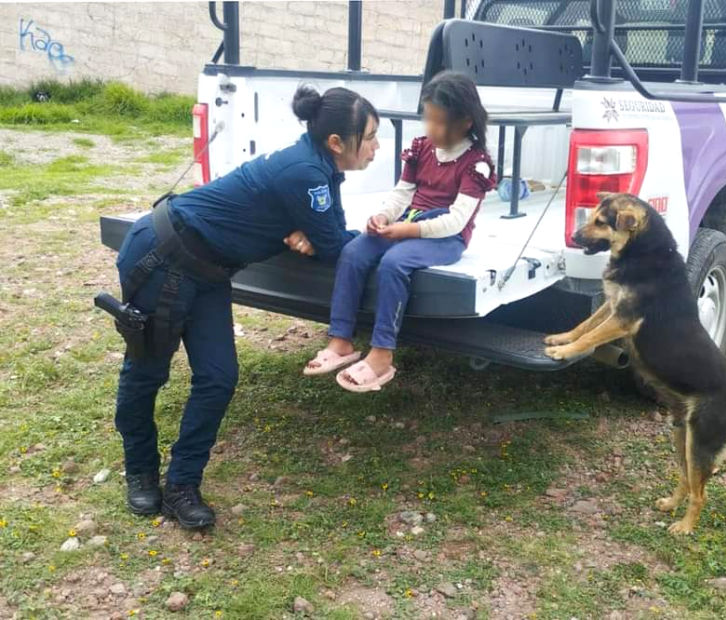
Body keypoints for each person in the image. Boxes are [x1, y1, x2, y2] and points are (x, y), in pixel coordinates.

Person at [113, 85, 379, 528]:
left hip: (210, 270)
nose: (375, 147)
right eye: (369, 136)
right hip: (162, 256)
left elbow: (329, 235)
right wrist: (357, 237)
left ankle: (181, 485)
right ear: (337, 142)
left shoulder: (320, 169)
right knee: (148, 371)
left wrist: (314, 235)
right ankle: (140, 470)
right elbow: (336, 243)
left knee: (218, 378)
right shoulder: (307, 174)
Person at [303, 71, 495, 392]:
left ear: (465, 122)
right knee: (353, 252)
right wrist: (382, 216)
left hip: (445, 237)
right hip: (409, 220)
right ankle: (341, 341)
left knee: (394, 263)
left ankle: (382, 353)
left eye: (440, 121)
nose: (431, 128)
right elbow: (402, 193)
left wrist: (409, 231)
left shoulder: (477, 163)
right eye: (427, 119)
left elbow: (457, 220)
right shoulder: (421, 148)